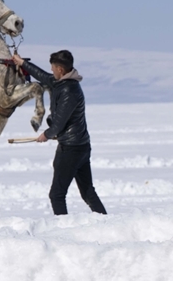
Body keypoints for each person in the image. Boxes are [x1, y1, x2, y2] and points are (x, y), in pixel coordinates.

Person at [12, 49, 107, 216]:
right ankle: (107, 223)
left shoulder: (69, 91)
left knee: (56, 195)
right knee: (87, 192)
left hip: (71, 149)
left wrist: (46, 134)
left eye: (53, 68)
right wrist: (22, 63)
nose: (51, 71)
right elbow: (42, 76)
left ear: (60, 70)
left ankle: (62, 231)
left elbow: (59, 123)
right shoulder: (62, 82)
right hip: (80, 146)